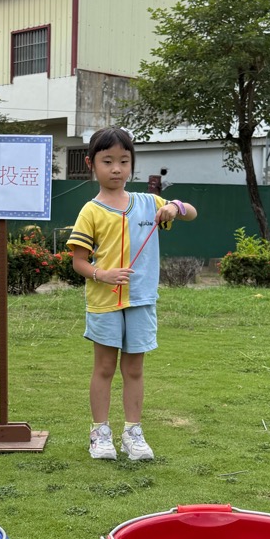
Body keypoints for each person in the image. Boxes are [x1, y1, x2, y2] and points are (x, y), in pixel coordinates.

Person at [67, 127, 197, 461]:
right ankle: (99, 433)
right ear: (91, 164)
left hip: (141, 300)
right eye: (107, 161)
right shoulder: (90, 211)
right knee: (104, 368)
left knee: (135, 369)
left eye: (124, 161)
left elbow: (191, 212)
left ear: (131, 165)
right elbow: (78, 262)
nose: (116, 169)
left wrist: (175, 207)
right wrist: (103, 274)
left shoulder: (149, 203)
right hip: (104, 302)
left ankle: (133, 433)